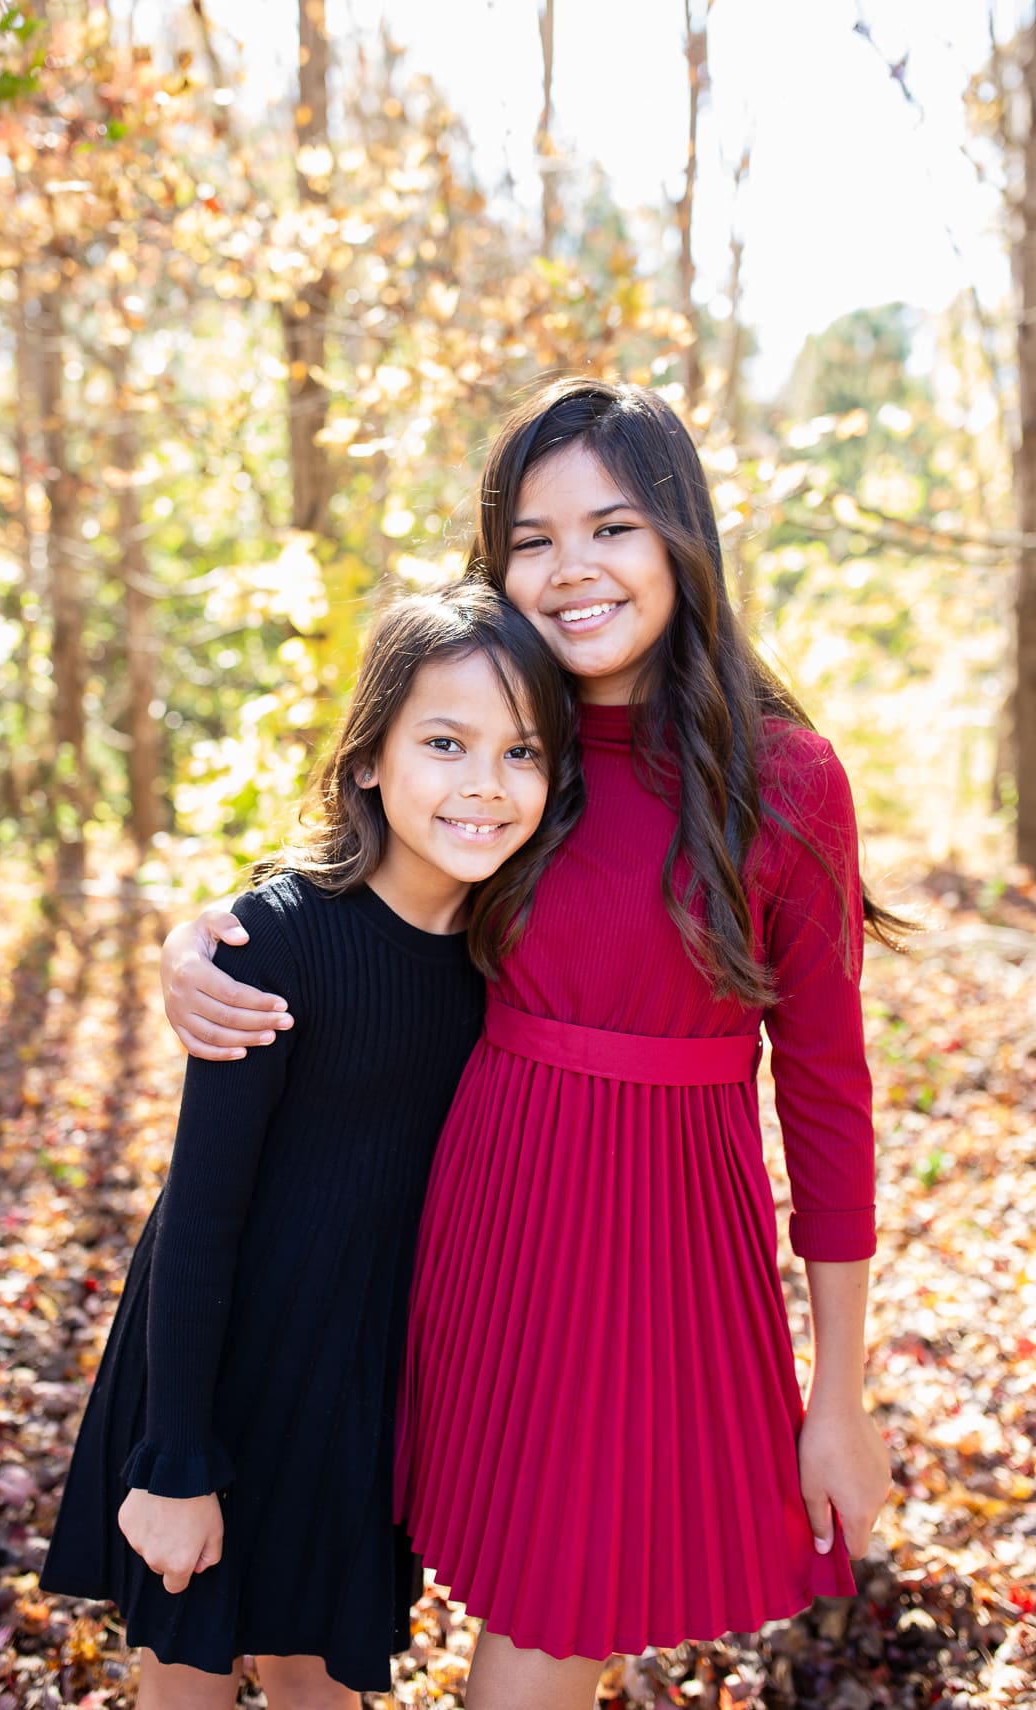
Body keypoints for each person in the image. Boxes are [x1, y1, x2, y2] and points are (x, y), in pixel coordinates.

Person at [160, 379, 899, 1710]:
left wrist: (838, 1393)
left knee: (556, 1613)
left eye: (611, 527)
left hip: (657, 1247)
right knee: (328, 1552)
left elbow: (833, 1094)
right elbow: (359, 884)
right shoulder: (510, 745)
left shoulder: (785, 777)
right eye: (533, 538)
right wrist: (207, 937)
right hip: (466, 1219)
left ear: (682, 537)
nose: (573, 571)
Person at [39, 582, 582, 1710]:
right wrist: (176, 1460)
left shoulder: (509, 963)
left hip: (353, 1385)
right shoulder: (274, 944)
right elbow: (200, 1220)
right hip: (217, 1365)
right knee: (185, 1679)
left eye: (521, 751)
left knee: (316, 1679)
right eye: (445, 743)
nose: (484, 784)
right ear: (371, 759)